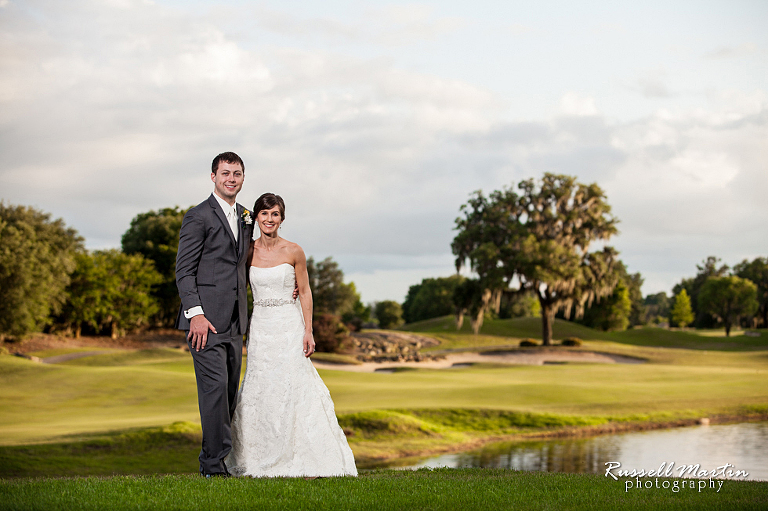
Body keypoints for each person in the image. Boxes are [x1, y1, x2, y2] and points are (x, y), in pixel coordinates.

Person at [225, 193, 357, 478]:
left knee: (294, 384)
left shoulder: (294, 251)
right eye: (264, 213)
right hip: (261, 327)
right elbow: (236, 287)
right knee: (261, 385)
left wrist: (309, 330)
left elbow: (305, 291)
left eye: (275, 214)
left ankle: (307, 455)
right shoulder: (246, 251)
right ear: (256, 218)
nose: (269, 219)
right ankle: (257, 455)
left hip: (289, 324)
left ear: (282, 218)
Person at [174, 152, 254, 477]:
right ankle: (211, 466)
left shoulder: (247, 217)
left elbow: (246, 263)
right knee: (215, 389)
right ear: (213, 177)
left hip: (236, 321)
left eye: (237, 173)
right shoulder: (198, 216)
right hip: (204, 322)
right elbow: (184, 270)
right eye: (225, 173)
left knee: (229, 392)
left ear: (243, 178)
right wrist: (195, 314)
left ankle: (222, 460)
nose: (231, 179)